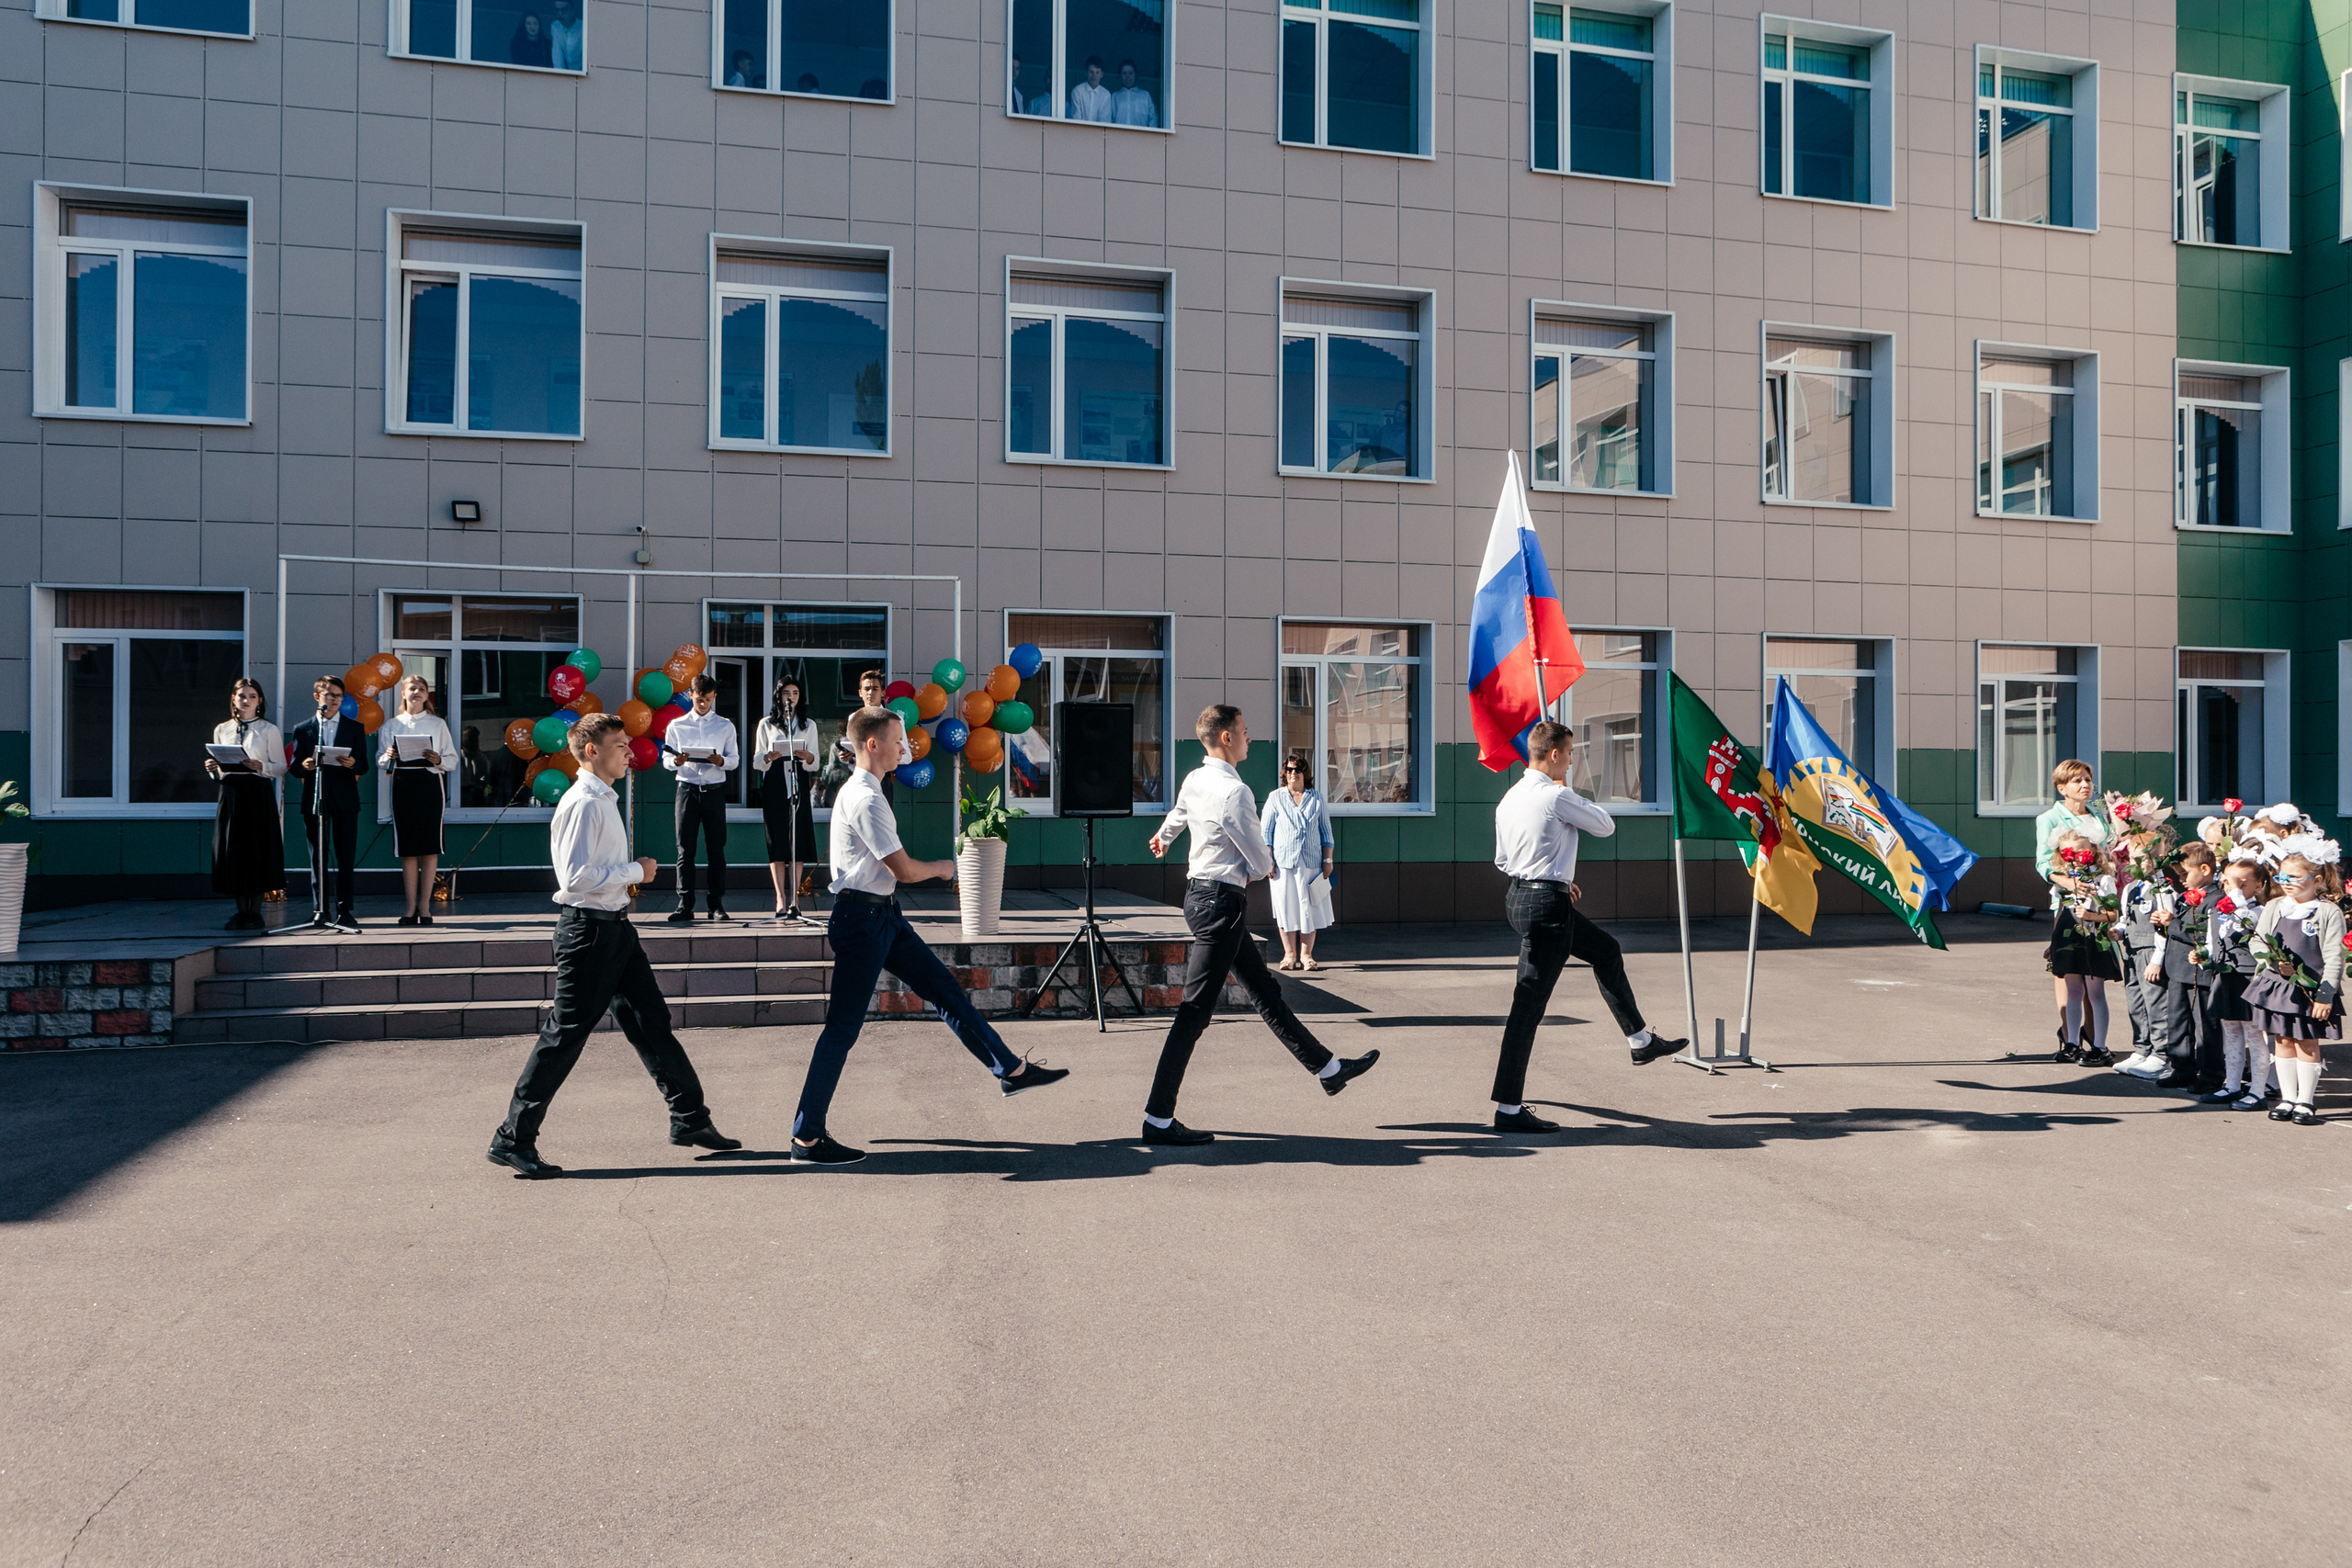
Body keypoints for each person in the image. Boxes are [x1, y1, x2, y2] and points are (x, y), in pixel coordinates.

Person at [787, 705, 1068, 1168]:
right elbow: (905, 870)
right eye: (898, 740)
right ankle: (807, 1139)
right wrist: (944, 868)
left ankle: (1010, 1069)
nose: (906, 747)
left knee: (944, 990)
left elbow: (887, 873)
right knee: (841, 1030)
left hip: (883, 917)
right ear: (872, 744)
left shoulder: (866, 790)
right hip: (863, 922)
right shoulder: (866, 798)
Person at [487, 714, 742, 1179]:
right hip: (588, 933)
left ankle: (690, 1120)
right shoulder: (584, 802)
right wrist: (636, 872)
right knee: (564, 1036)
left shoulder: (603, 797)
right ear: (592, 751)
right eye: (621, 745)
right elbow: (575, 878)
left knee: (652, 1022)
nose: (630, 752)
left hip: (615, 928)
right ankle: (513, 1139)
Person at [1140, 705, 1379, 1147]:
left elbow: (1179, 813)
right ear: (1227, 738)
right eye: (1245, 732)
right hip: (1221, 903)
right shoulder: (1237, 793)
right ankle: (1157, 1118)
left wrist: (1165, 836)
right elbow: (1258, 858)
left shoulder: (1196, 778)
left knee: (1265, 992)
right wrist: (1261, 868)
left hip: (1202, 896)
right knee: (1194, 1013)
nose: (1250, 738)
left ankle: (1328, 1069)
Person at [1487, 719, 1686, 1135]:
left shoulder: (1509, 798)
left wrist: (1555, 878)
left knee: (1605, 950)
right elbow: (1605, 826)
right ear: (1555, 754)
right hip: (1547, 907)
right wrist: (1552, 879)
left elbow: (1504, 861)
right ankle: (1508, 1109)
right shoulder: (1556, 795)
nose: (1574, 760)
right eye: (1572, 753)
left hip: (1522, 897)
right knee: (1526, 1011)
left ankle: (1639, 1041)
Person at [2245, 842, 2343, 1126]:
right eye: (2281, 877)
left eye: (2293, 878)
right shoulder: (2275, 906)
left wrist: (2325, 995)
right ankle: (2288, 1098)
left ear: (2317, 879)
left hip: (2311, 989)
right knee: (2283, 1040)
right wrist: (2272, 962)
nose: (2285, 884)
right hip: (2278, 986)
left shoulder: (2327, 912)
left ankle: (2306, 1101)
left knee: (2307, 1043)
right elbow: (2258, 940)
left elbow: (2334, 956)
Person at [2033, 759, 2114, 1064]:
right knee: (2067, 968)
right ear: (2061, 787)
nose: (2085, 785)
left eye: (2088, 780)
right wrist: (2068, 882)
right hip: (2067, 902)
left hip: (2099, 899)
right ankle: (2069, 1036)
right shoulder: (2050, 818)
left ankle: (2095, 1038)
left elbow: (2106, 852)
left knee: (2095, 971)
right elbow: (2043, 862)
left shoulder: (2099, 817)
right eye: (2077, 780)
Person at [204, 677, 286, 931]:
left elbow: (281, 767)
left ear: (260, 700)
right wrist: (212, 769)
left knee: (258, 850)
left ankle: (255, 911)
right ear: (234, 699)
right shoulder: (222, 729)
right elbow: (219, 766)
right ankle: (240, 912)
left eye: (252, 696)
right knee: (234, 851)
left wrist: (261, 766)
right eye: (242, 696)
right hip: (232, 793)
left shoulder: (268, 729)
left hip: (257, 793)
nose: (246, 701)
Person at [288, 675, 367, 929]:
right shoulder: (304, 728)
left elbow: (363, 764)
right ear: (317, 697)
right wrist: (305, 765)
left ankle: (345, 909)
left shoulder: (354, 728)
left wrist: (353, 763)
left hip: (345, 798)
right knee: (317, 857)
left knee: (345, 856)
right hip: (316, 799)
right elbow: (294, 768)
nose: (334, 700)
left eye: (338, 696)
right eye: (329, 695)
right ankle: (320, 908)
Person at [378, 674, 454, 928]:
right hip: (403, 786)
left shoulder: (437, 724)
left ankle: (425, 905)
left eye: (422, 689)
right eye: (412, 688)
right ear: (403, 693)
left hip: (430, 785)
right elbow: (381, 761)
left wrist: (437, 759)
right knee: (408, 849)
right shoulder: (392, 725)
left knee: (429, 846)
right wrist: (388, 755)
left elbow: (451, 760)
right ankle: (410, 907)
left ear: (427, 695)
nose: (417, 692)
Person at [662, 673, 738, 922]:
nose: (703, 703)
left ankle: (716, 905)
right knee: (685, 849)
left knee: (717, 850)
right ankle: (685, 904)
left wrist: (722, 761)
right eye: (698, 699)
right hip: (687, 790)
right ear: (691, 696)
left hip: (715, 791)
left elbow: (734, 760)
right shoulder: (677, 725)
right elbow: (665, 760)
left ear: (714, 696)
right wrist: (676, 760)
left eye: (707, 699)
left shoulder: (725, 725)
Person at [2044, 825, 2121, 1065]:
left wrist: (2090, 916)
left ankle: (2099, 1045)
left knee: (2095, 992)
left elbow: (2113, 914)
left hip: (2093, 940)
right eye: (2068, 853)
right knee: (2073, 992)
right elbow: (2060, 912)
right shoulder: (2065, 883)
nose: (2075, 858)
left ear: (2092, 850)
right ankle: (2072, 1042)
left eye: (2080, 852)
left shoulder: (2103, 880)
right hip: (2069, 940)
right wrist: (2053, 942)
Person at [2143, 841, 2217, 1091]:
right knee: (2178, 1022)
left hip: (2199, 972)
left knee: (2205, 1026)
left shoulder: (2215, 899)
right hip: (2177, 969)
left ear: (2205, 869)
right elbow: (2177, 930)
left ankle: (2210, 1074)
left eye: (2185, 874)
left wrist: (2173, 923)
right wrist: (2162, 924)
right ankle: (2182, 1068)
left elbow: (2203, 936)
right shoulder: (2187, 897)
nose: (2182, 880)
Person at [2207, 852, 2277, 1108]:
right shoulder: (2220, 910)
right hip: (2226, 976)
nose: (2233, 887)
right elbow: (2212, 938)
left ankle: (2258, 1091)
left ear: (2258, 885)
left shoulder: (2259, 911)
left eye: (2242, 882)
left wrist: (2236, 896)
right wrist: (2205, 955)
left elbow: (2250, 925)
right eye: (2228, 881)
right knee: (2231, 1032)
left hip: (2249, 978)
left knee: (2254, 1035)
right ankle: (2232, 1085)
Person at [754, 675, 820, 920]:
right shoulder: (766, 724)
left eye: (795, 693)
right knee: (778, 839)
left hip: (798, 780)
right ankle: (780, 898)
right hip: (774, 783)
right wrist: (768, 758)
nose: (790, 697)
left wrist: (807, 757)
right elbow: (756, 761)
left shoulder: (808, 724)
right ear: (778, 696)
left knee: (798, 838)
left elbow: (815, 763)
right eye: (785, 693)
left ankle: (795, 899)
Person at [1262, 750, 1332, 972]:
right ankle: (1289, 954)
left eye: (1298, 769)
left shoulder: (1317, 798)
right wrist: (1268, 861)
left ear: (1305, 773)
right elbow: (1266, 833)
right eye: (1289, 769)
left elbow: (1326, 833)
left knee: (1310, 908)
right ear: (1285, 773)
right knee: (1286, 907)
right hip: (1283, 863)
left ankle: (1307, 955)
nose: (1293, 773)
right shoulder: (1275, 797)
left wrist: (1327, 859)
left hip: (1311, 862)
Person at [1109, 59, 1158, 127]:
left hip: (1141, 136)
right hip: (1119, 136)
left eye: (1131, 73)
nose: (1127, 76)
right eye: (1124, 73)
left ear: (1135, 75)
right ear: (1120, 76)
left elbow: (1153, 120)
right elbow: (1109, 120)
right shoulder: (1115, 96)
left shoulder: (1145, 95)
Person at [1069, 56, 1113, 121]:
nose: (1094, 75)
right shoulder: (1077, 91)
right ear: (1086, 72)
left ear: (1102, 74)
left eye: (1097, 72)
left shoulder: (1106, 94)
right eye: (1091, 72)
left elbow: (1105, 120)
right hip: (1080, 130)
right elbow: (1076, 117)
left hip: (1099, 131)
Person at [547, 0, 582, 70]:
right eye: (557, 10)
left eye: (564, 10)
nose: (560, 13)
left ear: (572, 10)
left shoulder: (583, 27)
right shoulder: (555, 26)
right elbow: (557, 54)